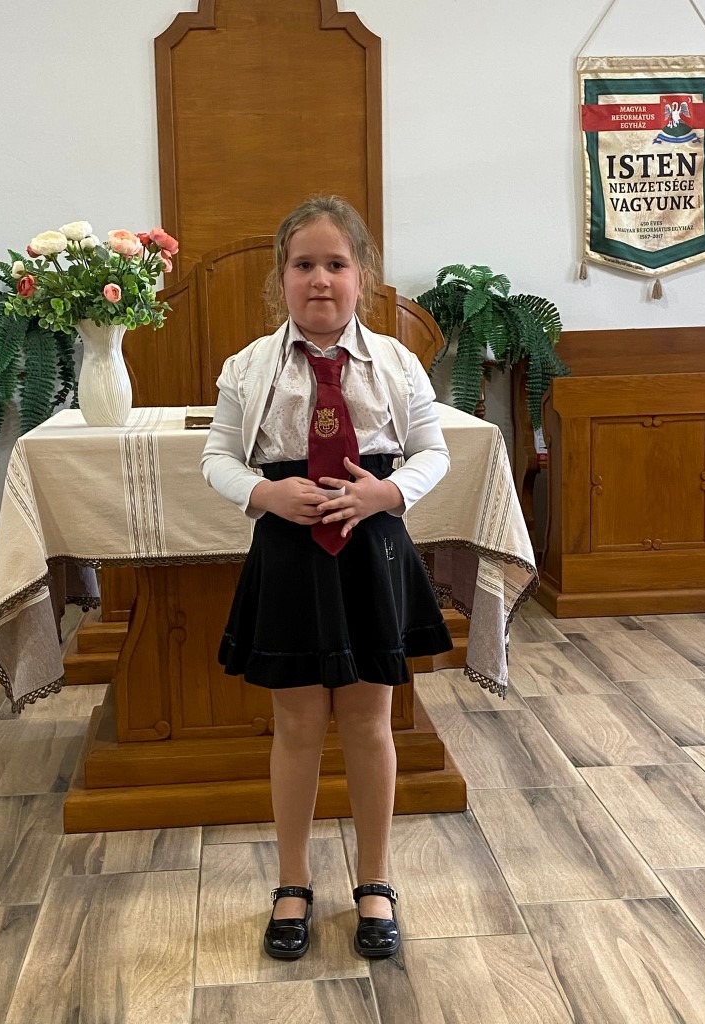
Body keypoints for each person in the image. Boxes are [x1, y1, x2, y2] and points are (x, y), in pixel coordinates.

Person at [200, 195, 453, 961]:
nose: (320, 279)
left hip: (371, 551)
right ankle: (293, 881)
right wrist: (263, 493)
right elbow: (216, 457)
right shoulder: (249, 367)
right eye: (304, 264)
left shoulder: (397, 363)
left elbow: (433, 452)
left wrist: (388, 493)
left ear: (362, 277)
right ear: (281, 278)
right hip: (289, 553)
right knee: (298, 727)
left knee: (371, 724)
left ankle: (375, 881)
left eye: (336, 264)